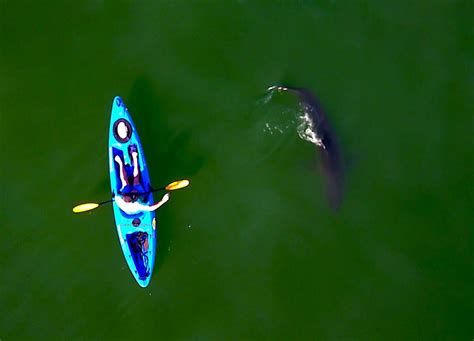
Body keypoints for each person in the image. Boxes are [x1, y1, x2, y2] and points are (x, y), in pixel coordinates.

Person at [114, 144, 169, 215]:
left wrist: (128, 194)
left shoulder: (118, 198)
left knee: (124, 182)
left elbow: (120, 195)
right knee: (136, 181)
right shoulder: (137, 205)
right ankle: (135, 158)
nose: (123, 197)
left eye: (124, 196)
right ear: (131, 200)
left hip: (130, 199)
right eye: (126, 197)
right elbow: (151, 208)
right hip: (136, 204)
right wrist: (163, 200)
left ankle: (120, 163)